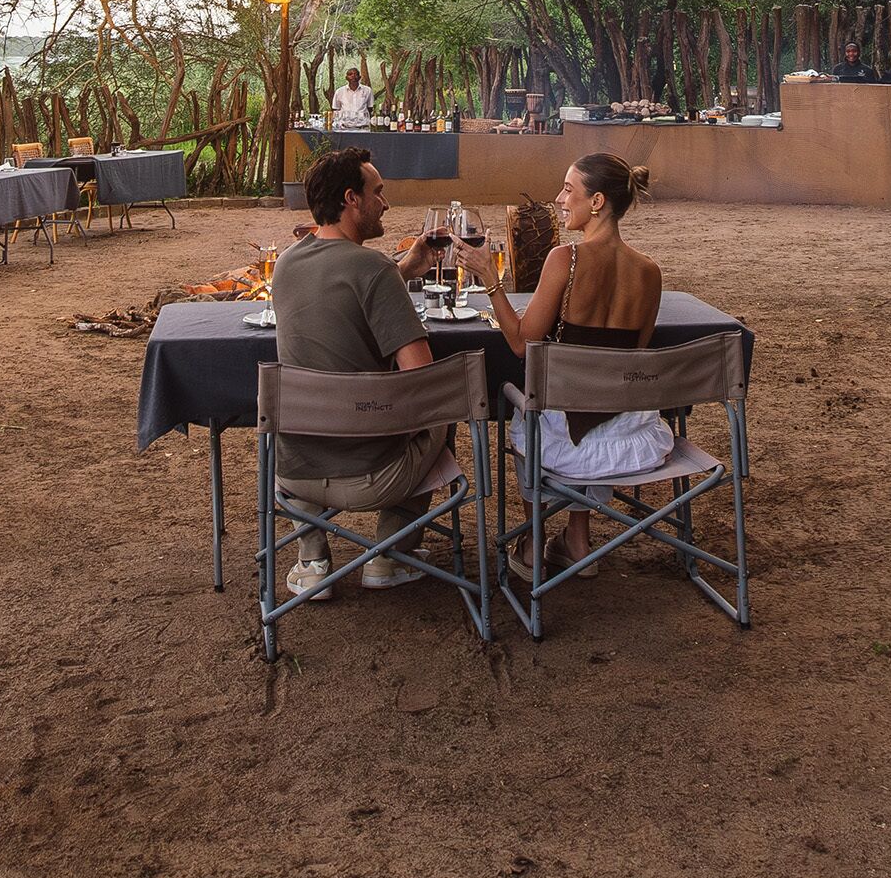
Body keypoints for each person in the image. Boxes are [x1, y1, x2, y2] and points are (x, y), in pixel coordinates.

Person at [269, 145, 457, 601]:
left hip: (293, 471)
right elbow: (421, 377)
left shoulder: (287, 263)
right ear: (352, 199)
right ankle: (389, 556)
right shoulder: (373, 269)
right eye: (379, 192)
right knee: (441, 413)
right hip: (373, 475)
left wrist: (405, 269)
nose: (386, 203)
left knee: (309, 420)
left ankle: (312, 561)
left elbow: (342, 288)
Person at [461, 153, 666, 564]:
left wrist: (491, 281)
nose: (558, 198)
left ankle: (534, 541)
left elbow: (521, 343)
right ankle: (577, 540)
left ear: (597, 202)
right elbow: (633, 358)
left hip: (562, 442)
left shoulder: (565, 259)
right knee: (584, 401)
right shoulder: (649, 271)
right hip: (626, 434)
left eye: (568, 189)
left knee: (527, 407)